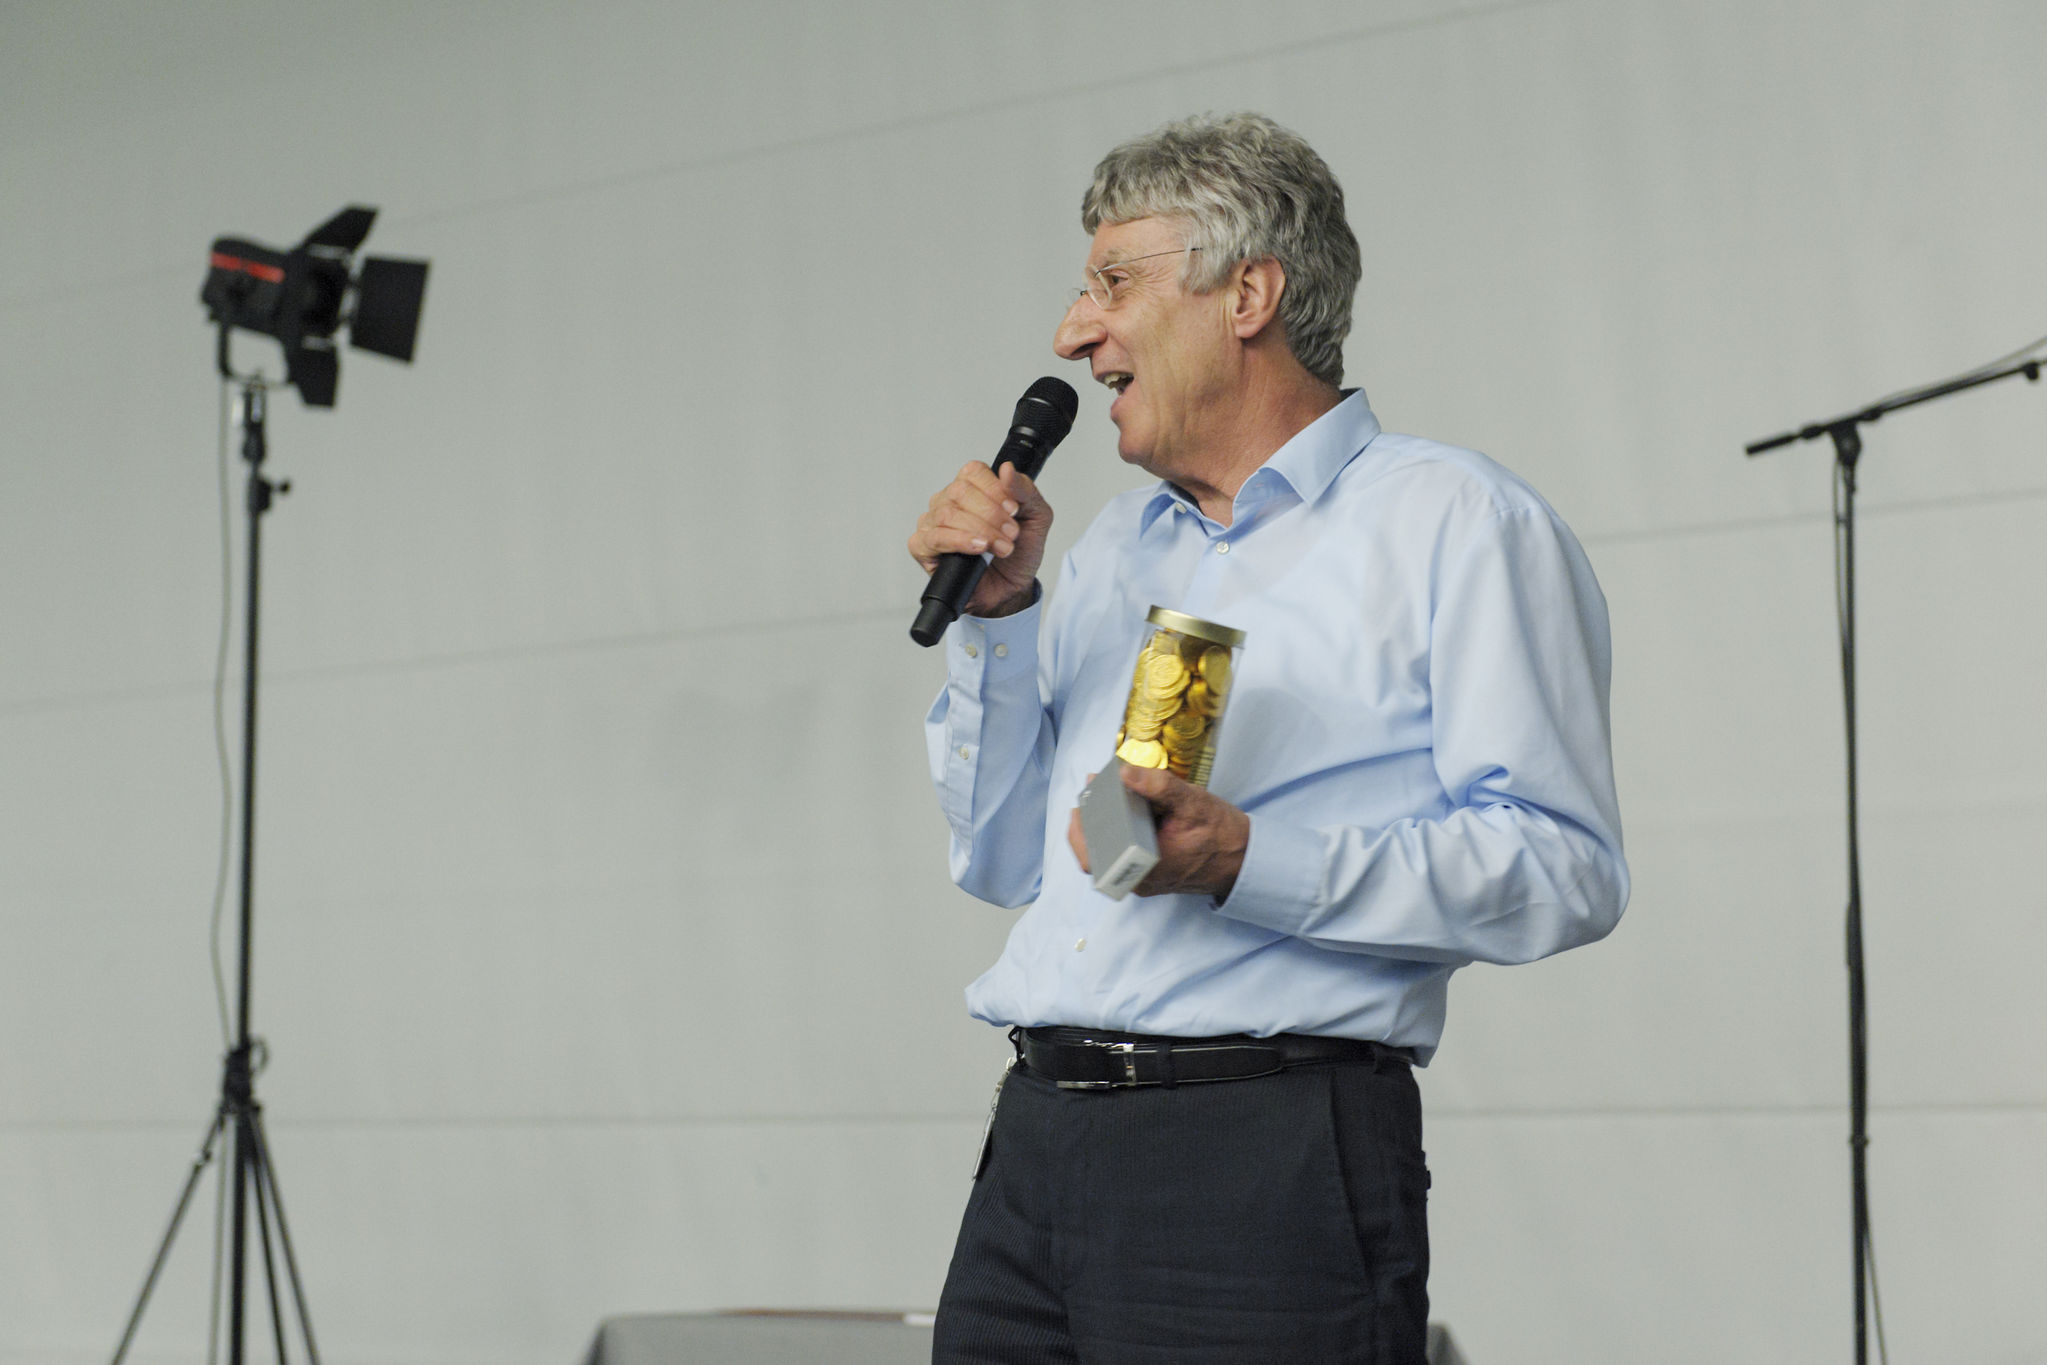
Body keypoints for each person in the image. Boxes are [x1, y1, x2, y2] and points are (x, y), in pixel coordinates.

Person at [907, 112, 1627, 1365]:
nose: (1073, 334)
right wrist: (1001, 621)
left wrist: (1249, 860)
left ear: (1248, 293)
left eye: (1111, 284)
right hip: (1036, 1145)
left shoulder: (1455, 522)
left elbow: (1561, 868)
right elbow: (1004, 862)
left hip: (1261, 1155)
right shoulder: (1121, 550)